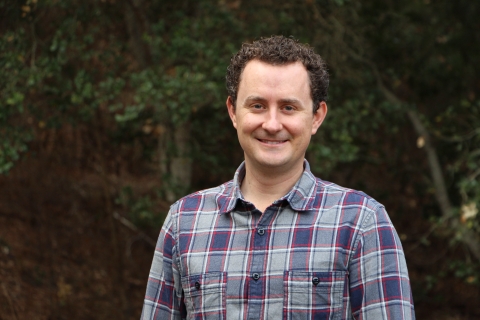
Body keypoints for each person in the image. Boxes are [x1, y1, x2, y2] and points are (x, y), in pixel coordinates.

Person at [141, 35, 415, 320]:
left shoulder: (362, 223)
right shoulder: (184, 222)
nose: (272, 124)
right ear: (233, 111)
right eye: (257, 105)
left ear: (317, 116)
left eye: (288, 107)